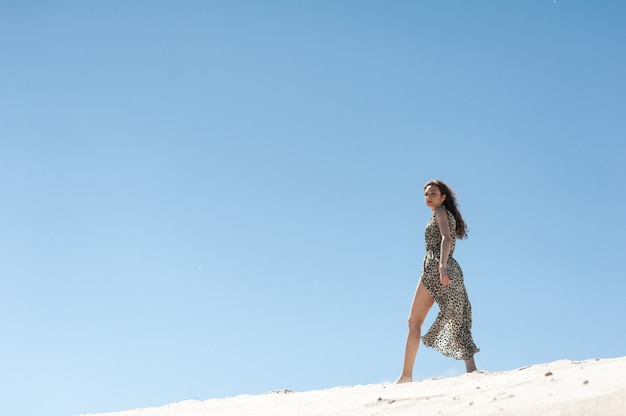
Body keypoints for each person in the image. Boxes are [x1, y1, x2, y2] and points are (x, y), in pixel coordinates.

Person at [396, 180, 479, 383]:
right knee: (457, 317)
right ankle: (472, 369)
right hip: (451, 268)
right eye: (426, 194)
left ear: (443, 197)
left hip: (436, 266)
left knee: (414, 322)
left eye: (433, 193)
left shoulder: (441, 212)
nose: (428, 197)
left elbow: (446, 238)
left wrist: (441, 266)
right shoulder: (443, 214)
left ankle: (406, 376)